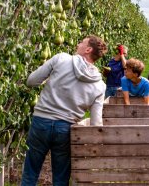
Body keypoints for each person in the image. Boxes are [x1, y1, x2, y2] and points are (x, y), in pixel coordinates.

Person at [21, 35, 108, 186]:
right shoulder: (100, 85)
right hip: (66, 129)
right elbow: (96, 122)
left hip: (41, 122)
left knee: (30, 172)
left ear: (88, 49)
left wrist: (51, 81)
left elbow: (31, 81)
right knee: (61, 178)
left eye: (82, 42)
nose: (78, 43)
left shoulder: (61, 59)